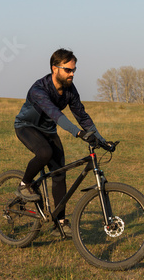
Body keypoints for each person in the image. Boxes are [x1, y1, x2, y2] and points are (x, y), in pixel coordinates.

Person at [14, 48, 106, 237]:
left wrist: (101, 140)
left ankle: (60, 223)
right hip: (27, 127)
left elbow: (82, 115)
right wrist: (78, 133)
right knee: (44, 153)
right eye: (68, 70)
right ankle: (24, 185)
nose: (72, 73)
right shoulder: (39, 89)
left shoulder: (70, 90)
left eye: (74, 70)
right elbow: (56, 115)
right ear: (55, 69)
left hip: (48, 131)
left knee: (59, 175)